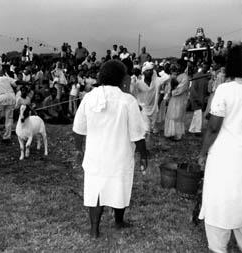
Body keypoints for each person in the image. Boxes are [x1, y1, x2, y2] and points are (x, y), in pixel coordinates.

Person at [73, 60, 147, 238]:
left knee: (95, 190)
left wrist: (78, 149)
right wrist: (143, 154)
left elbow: (78, 129)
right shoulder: (127, 100)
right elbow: (137, 134)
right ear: (122, 78)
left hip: (95, 156)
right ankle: (119, 222)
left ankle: (94, 229)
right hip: (119, 155)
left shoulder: (89, 97)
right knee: (119, 186)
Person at [198, 45, 242, 253]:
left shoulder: (226, 89)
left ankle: (219, 247)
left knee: (221, 197)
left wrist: (203, 152)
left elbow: (214, 127)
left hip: (226, 155)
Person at [132, 62, 169, 134]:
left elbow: (167, 77)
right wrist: (134, 79)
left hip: (154, 108)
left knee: (152, 129)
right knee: (146, 130)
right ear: (143, 72)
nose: (149, 72)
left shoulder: (156, 81)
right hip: (144, 108)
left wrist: (159, 72)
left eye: (151, 70)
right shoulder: (139, 82)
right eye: (147, 70)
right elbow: (132, 91)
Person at [164, 62, 190, 140]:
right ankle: (170, 133)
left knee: (178, 115)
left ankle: (177, 135)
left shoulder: (185, 77)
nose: (178, 67)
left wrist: (172, 92)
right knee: (171, 114)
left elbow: (181, 89)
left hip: (180, 99)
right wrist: (169, 92)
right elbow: (169, 86)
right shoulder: (175, 75)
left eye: (180, 66)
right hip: (173, 99)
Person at [0, 69, 17, 143]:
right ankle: (7, 137)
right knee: (9, 118)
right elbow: (15, 84)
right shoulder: (7, 78)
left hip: (1, 97)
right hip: (11, 97)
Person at [188, 62, 210, 135]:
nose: (205, 68)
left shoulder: (206, 76)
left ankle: (192, 129)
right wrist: (196, 99)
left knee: (196, 114)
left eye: (206, 67)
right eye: (203, 67)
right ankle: (197, 130)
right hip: (195, 98)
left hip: (201, 98)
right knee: (198, 114)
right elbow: (193, 89)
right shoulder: (197, 76)